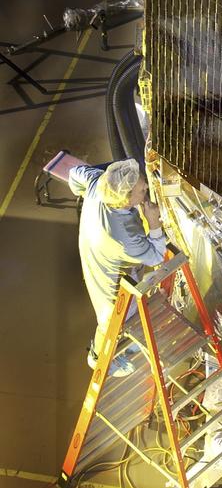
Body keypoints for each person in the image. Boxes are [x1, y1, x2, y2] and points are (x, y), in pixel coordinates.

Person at [68, 158, 167, 376]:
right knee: (112, 317)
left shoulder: (99, 183)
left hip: (94, 250)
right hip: (109, 275)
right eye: (142, 190)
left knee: (118, 311)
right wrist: (154, 222)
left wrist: (82, 192)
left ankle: (120, 345)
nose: (146, 188)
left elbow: (74, 172)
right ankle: (99, 358)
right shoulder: (122, 236)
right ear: (126, 198)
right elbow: (156, 256)